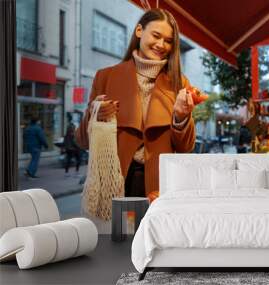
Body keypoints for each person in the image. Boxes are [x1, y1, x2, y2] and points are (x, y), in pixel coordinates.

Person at [76, 9, 196, 197]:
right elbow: (83, 141)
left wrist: (181, 117)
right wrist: (94, 114)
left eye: (168, 40)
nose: (161, 44)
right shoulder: (106, 77)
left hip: (160, 185)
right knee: (126, 226)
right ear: (139, 31)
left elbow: (186, 147)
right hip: (117, 182)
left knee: (154, 228)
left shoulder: (179, 84)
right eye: (156, 35)